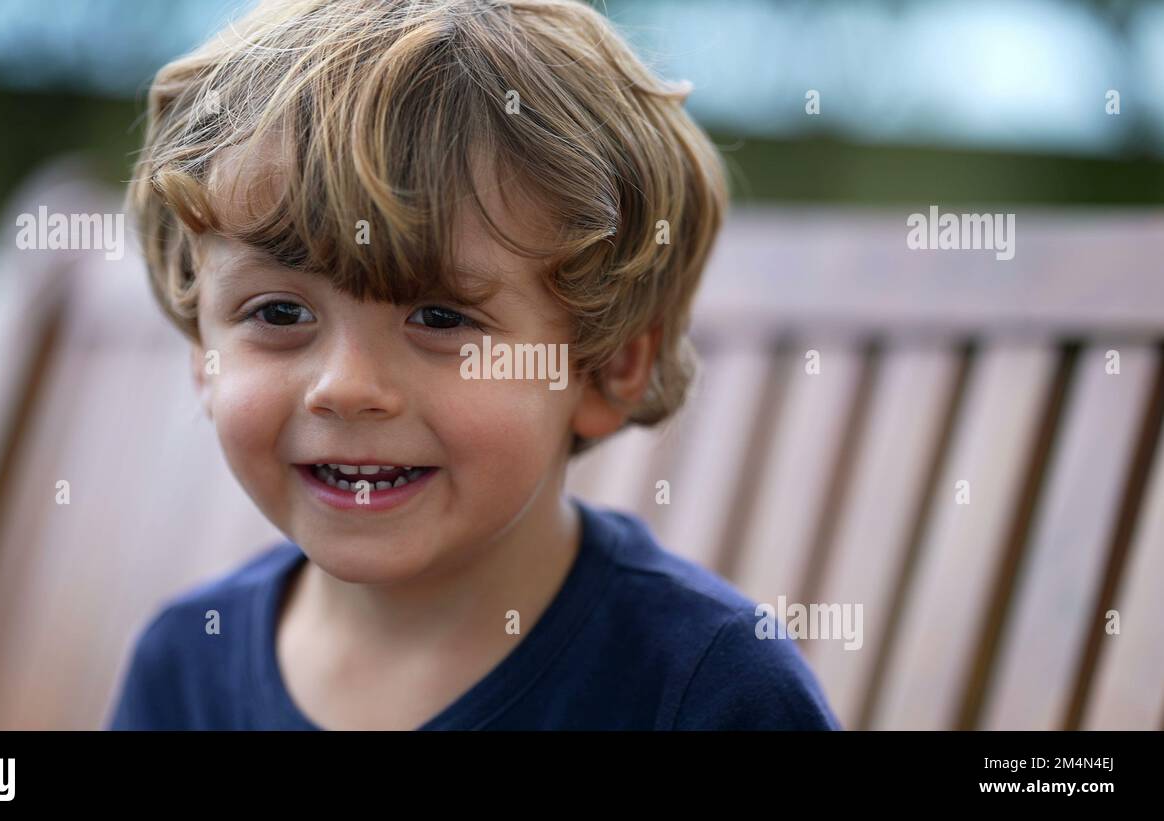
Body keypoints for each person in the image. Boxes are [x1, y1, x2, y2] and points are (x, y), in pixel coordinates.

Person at [108, 0, 839, 730]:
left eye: (439, 317)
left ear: (608, 364)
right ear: (204, 354)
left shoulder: (706, 689)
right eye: (279, 314)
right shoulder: (184, 668)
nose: (346, 387)